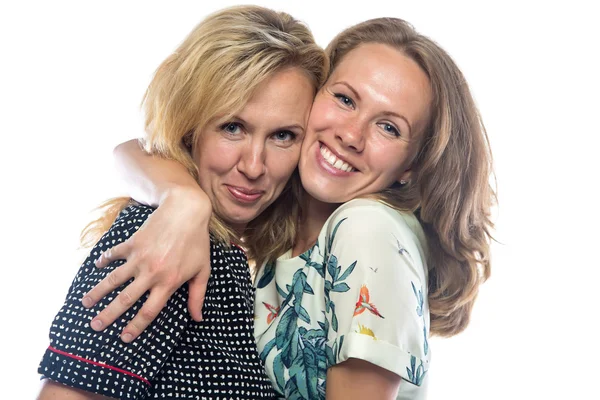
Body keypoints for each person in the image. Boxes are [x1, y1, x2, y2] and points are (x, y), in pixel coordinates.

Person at [87, 17, 495, 400]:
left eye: (389, 127)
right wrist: (182, 197)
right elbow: (137, 149)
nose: (351, 135)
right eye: (345, 99)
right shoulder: (278, 231)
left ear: (410, 166)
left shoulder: (365, 228)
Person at [36, 5, 328, 399]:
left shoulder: (242, 262)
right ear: (191, 128)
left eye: (283, 136)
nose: (255, 166)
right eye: (232, 127)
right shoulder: (168, 241)